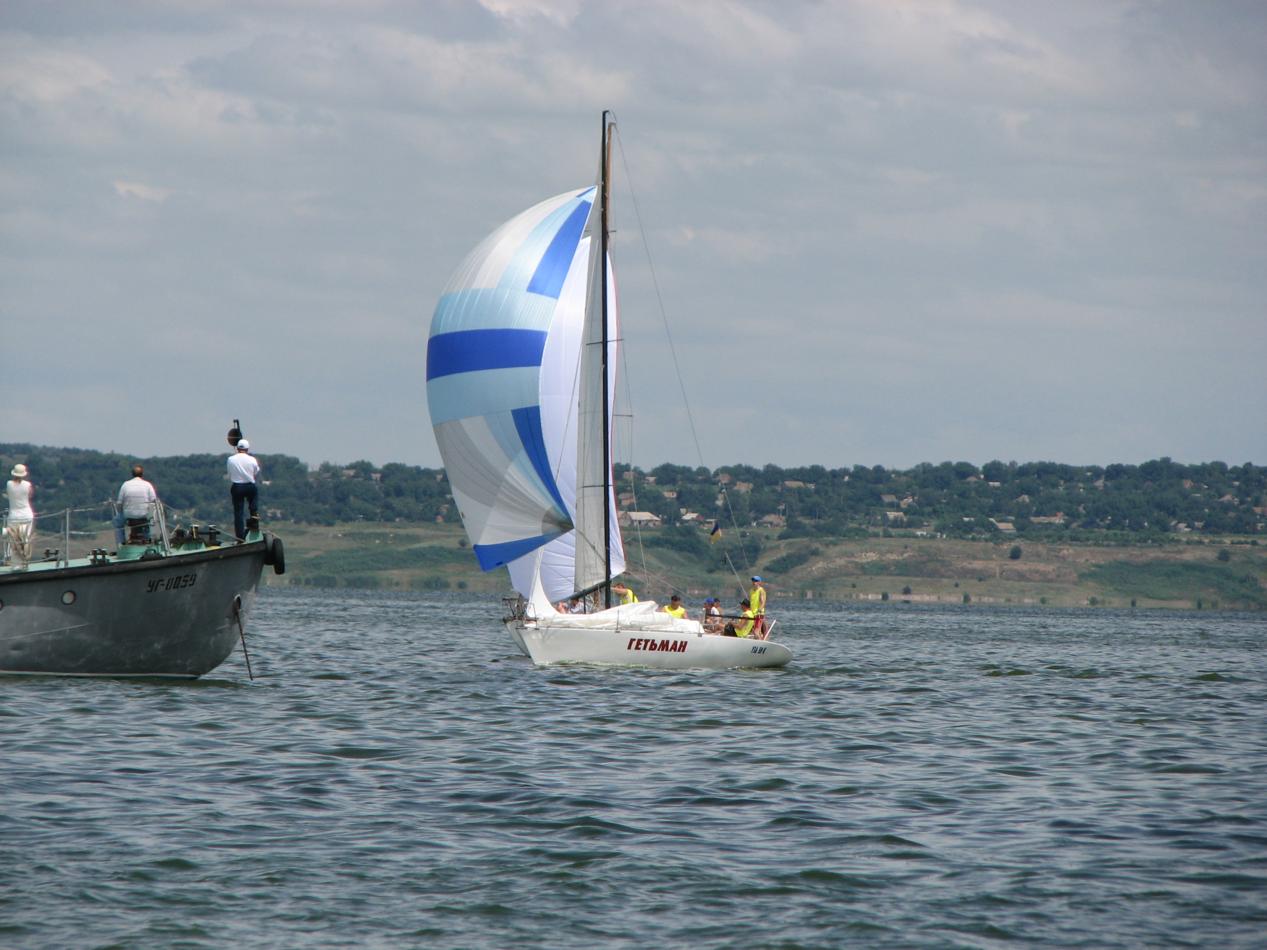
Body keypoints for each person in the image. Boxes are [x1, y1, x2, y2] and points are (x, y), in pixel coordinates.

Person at [114, 464, 158, 545]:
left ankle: (121, 542)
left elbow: (119, 503)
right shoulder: (148, 485)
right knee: (149, 522)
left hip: (128, 514)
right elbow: (153, 501)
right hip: (144, 515)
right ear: (142, 474)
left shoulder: (125, 485)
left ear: (132, 474)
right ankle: (148, 540)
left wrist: (121, 512)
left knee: (117, 522)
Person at [227, 438, 262, 541]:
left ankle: (240, 537)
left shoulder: (230, 459)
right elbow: (256, 472)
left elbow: (230, 473)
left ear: (237, 448)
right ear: (247, 449)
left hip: (237, 486)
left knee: (238, 512)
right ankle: (254, 523)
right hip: (249, 485)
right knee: (253, 504)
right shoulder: (252, 459)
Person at [4, 463, 35, 567]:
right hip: (26, 515)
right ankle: (25, 561)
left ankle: (14, 563)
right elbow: (30, 495)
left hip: (13, 516)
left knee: (14, 541)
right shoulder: (28, 485)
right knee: (25, 540)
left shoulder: (9, 484)